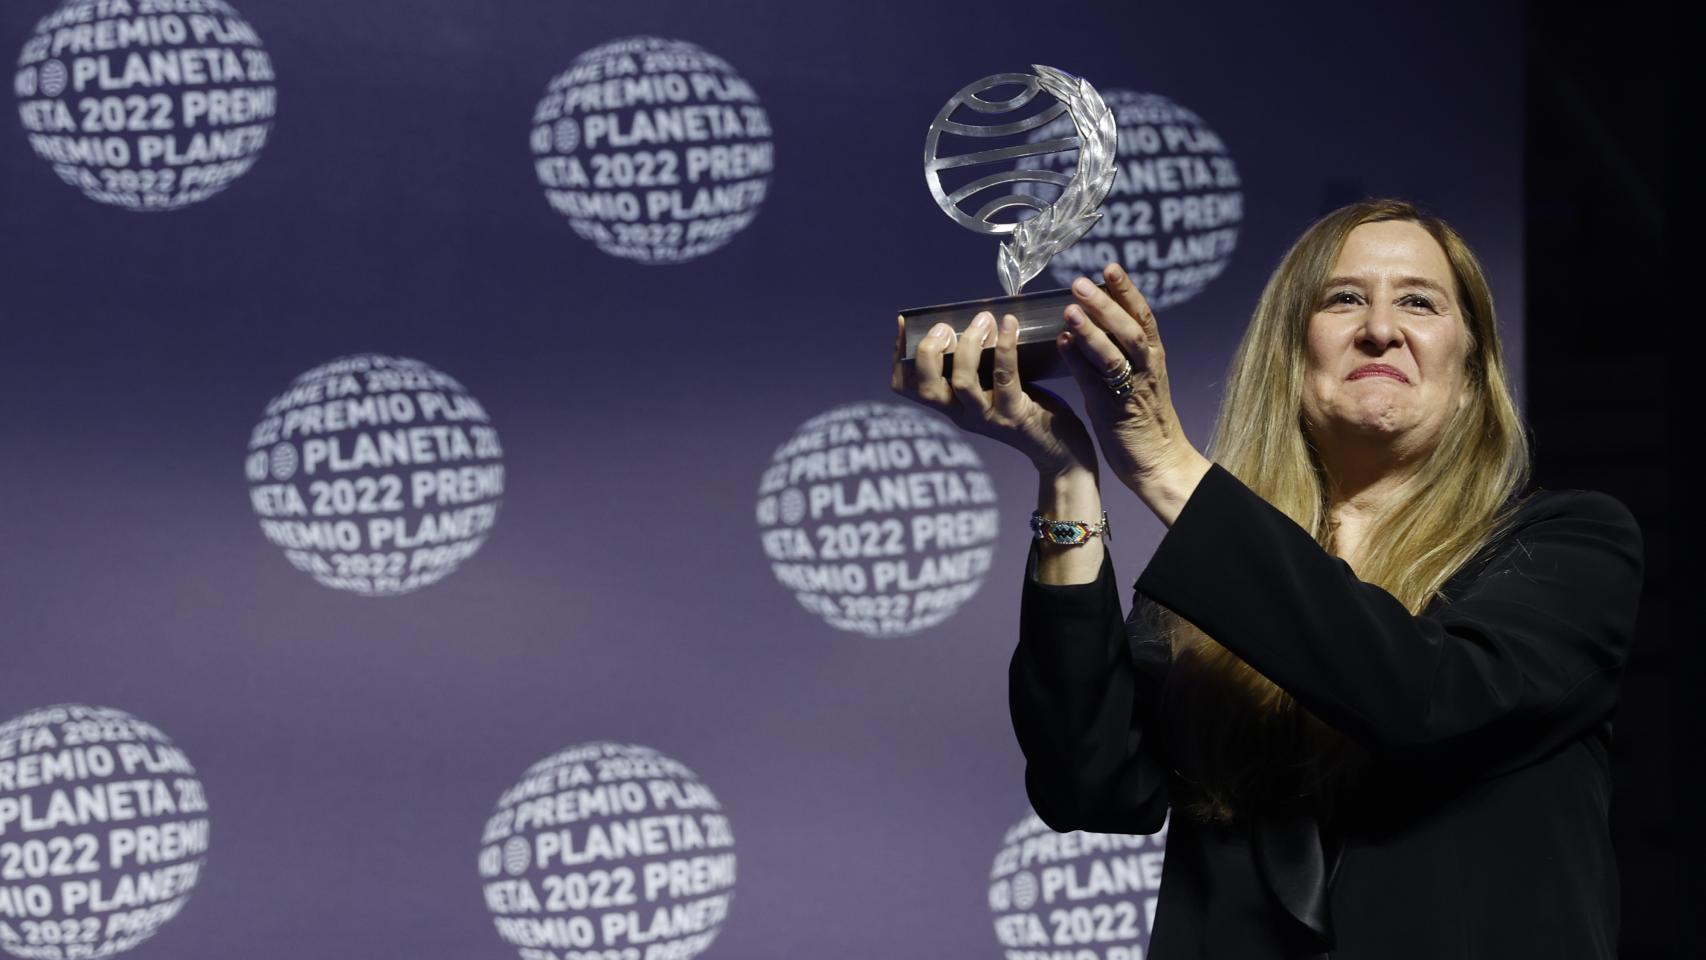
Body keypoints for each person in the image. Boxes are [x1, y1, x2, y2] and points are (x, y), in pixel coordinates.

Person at [889, 199, 1644, 959]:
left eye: (1418, 301)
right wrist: (1067, 477)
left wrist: (1167, 465)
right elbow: (1089, 783)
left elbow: (1429, 696)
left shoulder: (1568, 544)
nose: (1380, 327)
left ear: (1473, 373)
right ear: (1290, 355)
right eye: (1343, 298)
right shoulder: (1212, 582)